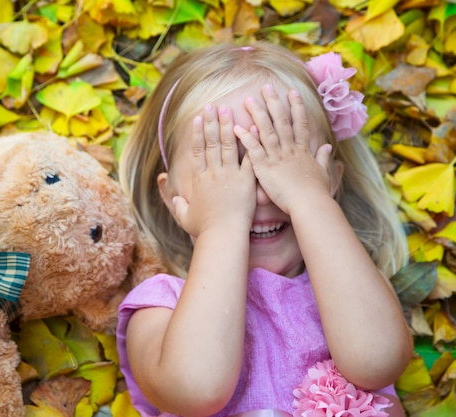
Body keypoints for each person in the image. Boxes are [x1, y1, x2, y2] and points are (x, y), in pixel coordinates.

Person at [116, 41, 413, 417]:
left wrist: (309, 201)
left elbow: (377, 361)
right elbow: (196, 389)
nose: (258, 194)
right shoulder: (160, 308)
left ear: (330, 181)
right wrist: (221, 226)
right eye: (225, 165)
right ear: (172, 196)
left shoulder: (353, 284)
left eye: (286, 162)